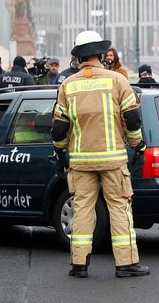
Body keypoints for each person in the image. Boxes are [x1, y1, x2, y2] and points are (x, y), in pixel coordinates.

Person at [52, 31, 149, 279]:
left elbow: (59, 128)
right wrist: (138, 147)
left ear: (78, 56)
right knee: (119, 207)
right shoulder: (117, 80)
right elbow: (133, 119)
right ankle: (126, 264)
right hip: (113, 159)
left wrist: (60, 152)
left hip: (81, 161)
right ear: (100, 53)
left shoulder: (68, 85)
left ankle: (78, 264)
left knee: (82, 209)